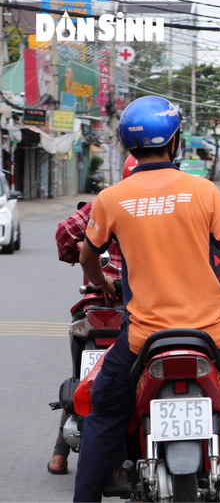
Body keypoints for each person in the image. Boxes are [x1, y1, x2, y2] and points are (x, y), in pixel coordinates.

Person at [73, 96, 220, 502]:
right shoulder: (202, 191)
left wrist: (103, 285)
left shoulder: (112, 198)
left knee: (104, 412)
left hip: (141, 341)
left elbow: (86, 255)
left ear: (127, 145)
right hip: (215, 335)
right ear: (176, 141)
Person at [47, 157, 134, 475]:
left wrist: (94, 275)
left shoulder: (107, 200)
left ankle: (60, 455)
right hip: (142, 308)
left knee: (81, 373)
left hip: (95, 307)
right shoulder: (173, 203)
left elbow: (64, 237)